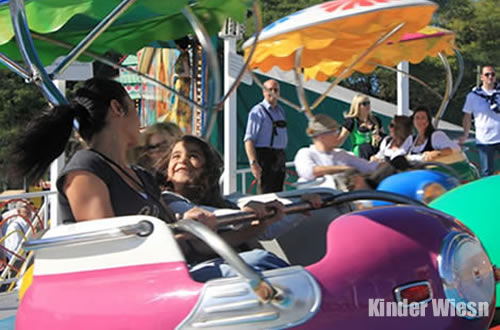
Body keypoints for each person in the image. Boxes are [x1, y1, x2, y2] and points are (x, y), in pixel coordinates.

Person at [10, 78, 211, 228]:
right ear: (117, 108)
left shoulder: (141, 176)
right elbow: (109, 246)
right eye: (133, 107)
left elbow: (170, 230)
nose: (140, 120)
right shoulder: (87, 168)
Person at [159, 135, 322, 280]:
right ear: (167, 172)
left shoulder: (226, 201)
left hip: (229, 265)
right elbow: (211, 216)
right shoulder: (169, 201)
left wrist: (302, 207)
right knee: (260, 259)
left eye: (193, 156)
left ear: (208, 169)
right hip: (193, 272)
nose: (182, 160)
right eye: (176, 156)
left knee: (263, 260)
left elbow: (267, 230)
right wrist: (246, 214)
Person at [294, 114, 379, 182]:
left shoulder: (342, 154)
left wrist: (387, 163)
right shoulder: (305, 153)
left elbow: (369, 167)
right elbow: (309, 172)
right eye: (334, 132)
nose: (338, 135)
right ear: (321, 136)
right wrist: (343, 169)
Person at [244, 79, 287, 193]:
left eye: (275, 90)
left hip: (279, 155)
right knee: (266, 192)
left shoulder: (280, 111)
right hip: (265, 156)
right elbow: (249, 139)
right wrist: (253, 163)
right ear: (264, 92)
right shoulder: (257, 111)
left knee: (279, 191)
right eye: (269, 90)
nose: (273, 92)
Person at [459, 65, 500, 176]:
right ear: (481, 77)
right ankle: (489, 193)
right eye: (487, 74)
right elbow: (467, 116)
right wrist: (465, 134)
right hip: (485, 139)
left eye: (492, 74)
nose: (490, 77)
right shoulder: (473, 96)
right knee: (487, 171)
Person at [338, 94, 384, 159]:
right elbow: (340, 140)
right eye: (364, 104)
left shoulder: (376, 120)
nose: (368, 106)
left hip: (376, 151)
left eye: (368, 103)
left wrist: (379, 138)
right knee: (364, 147)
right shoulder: (351, 121)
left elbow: (383, 136)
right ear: (357, 106)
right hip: (361, 153)